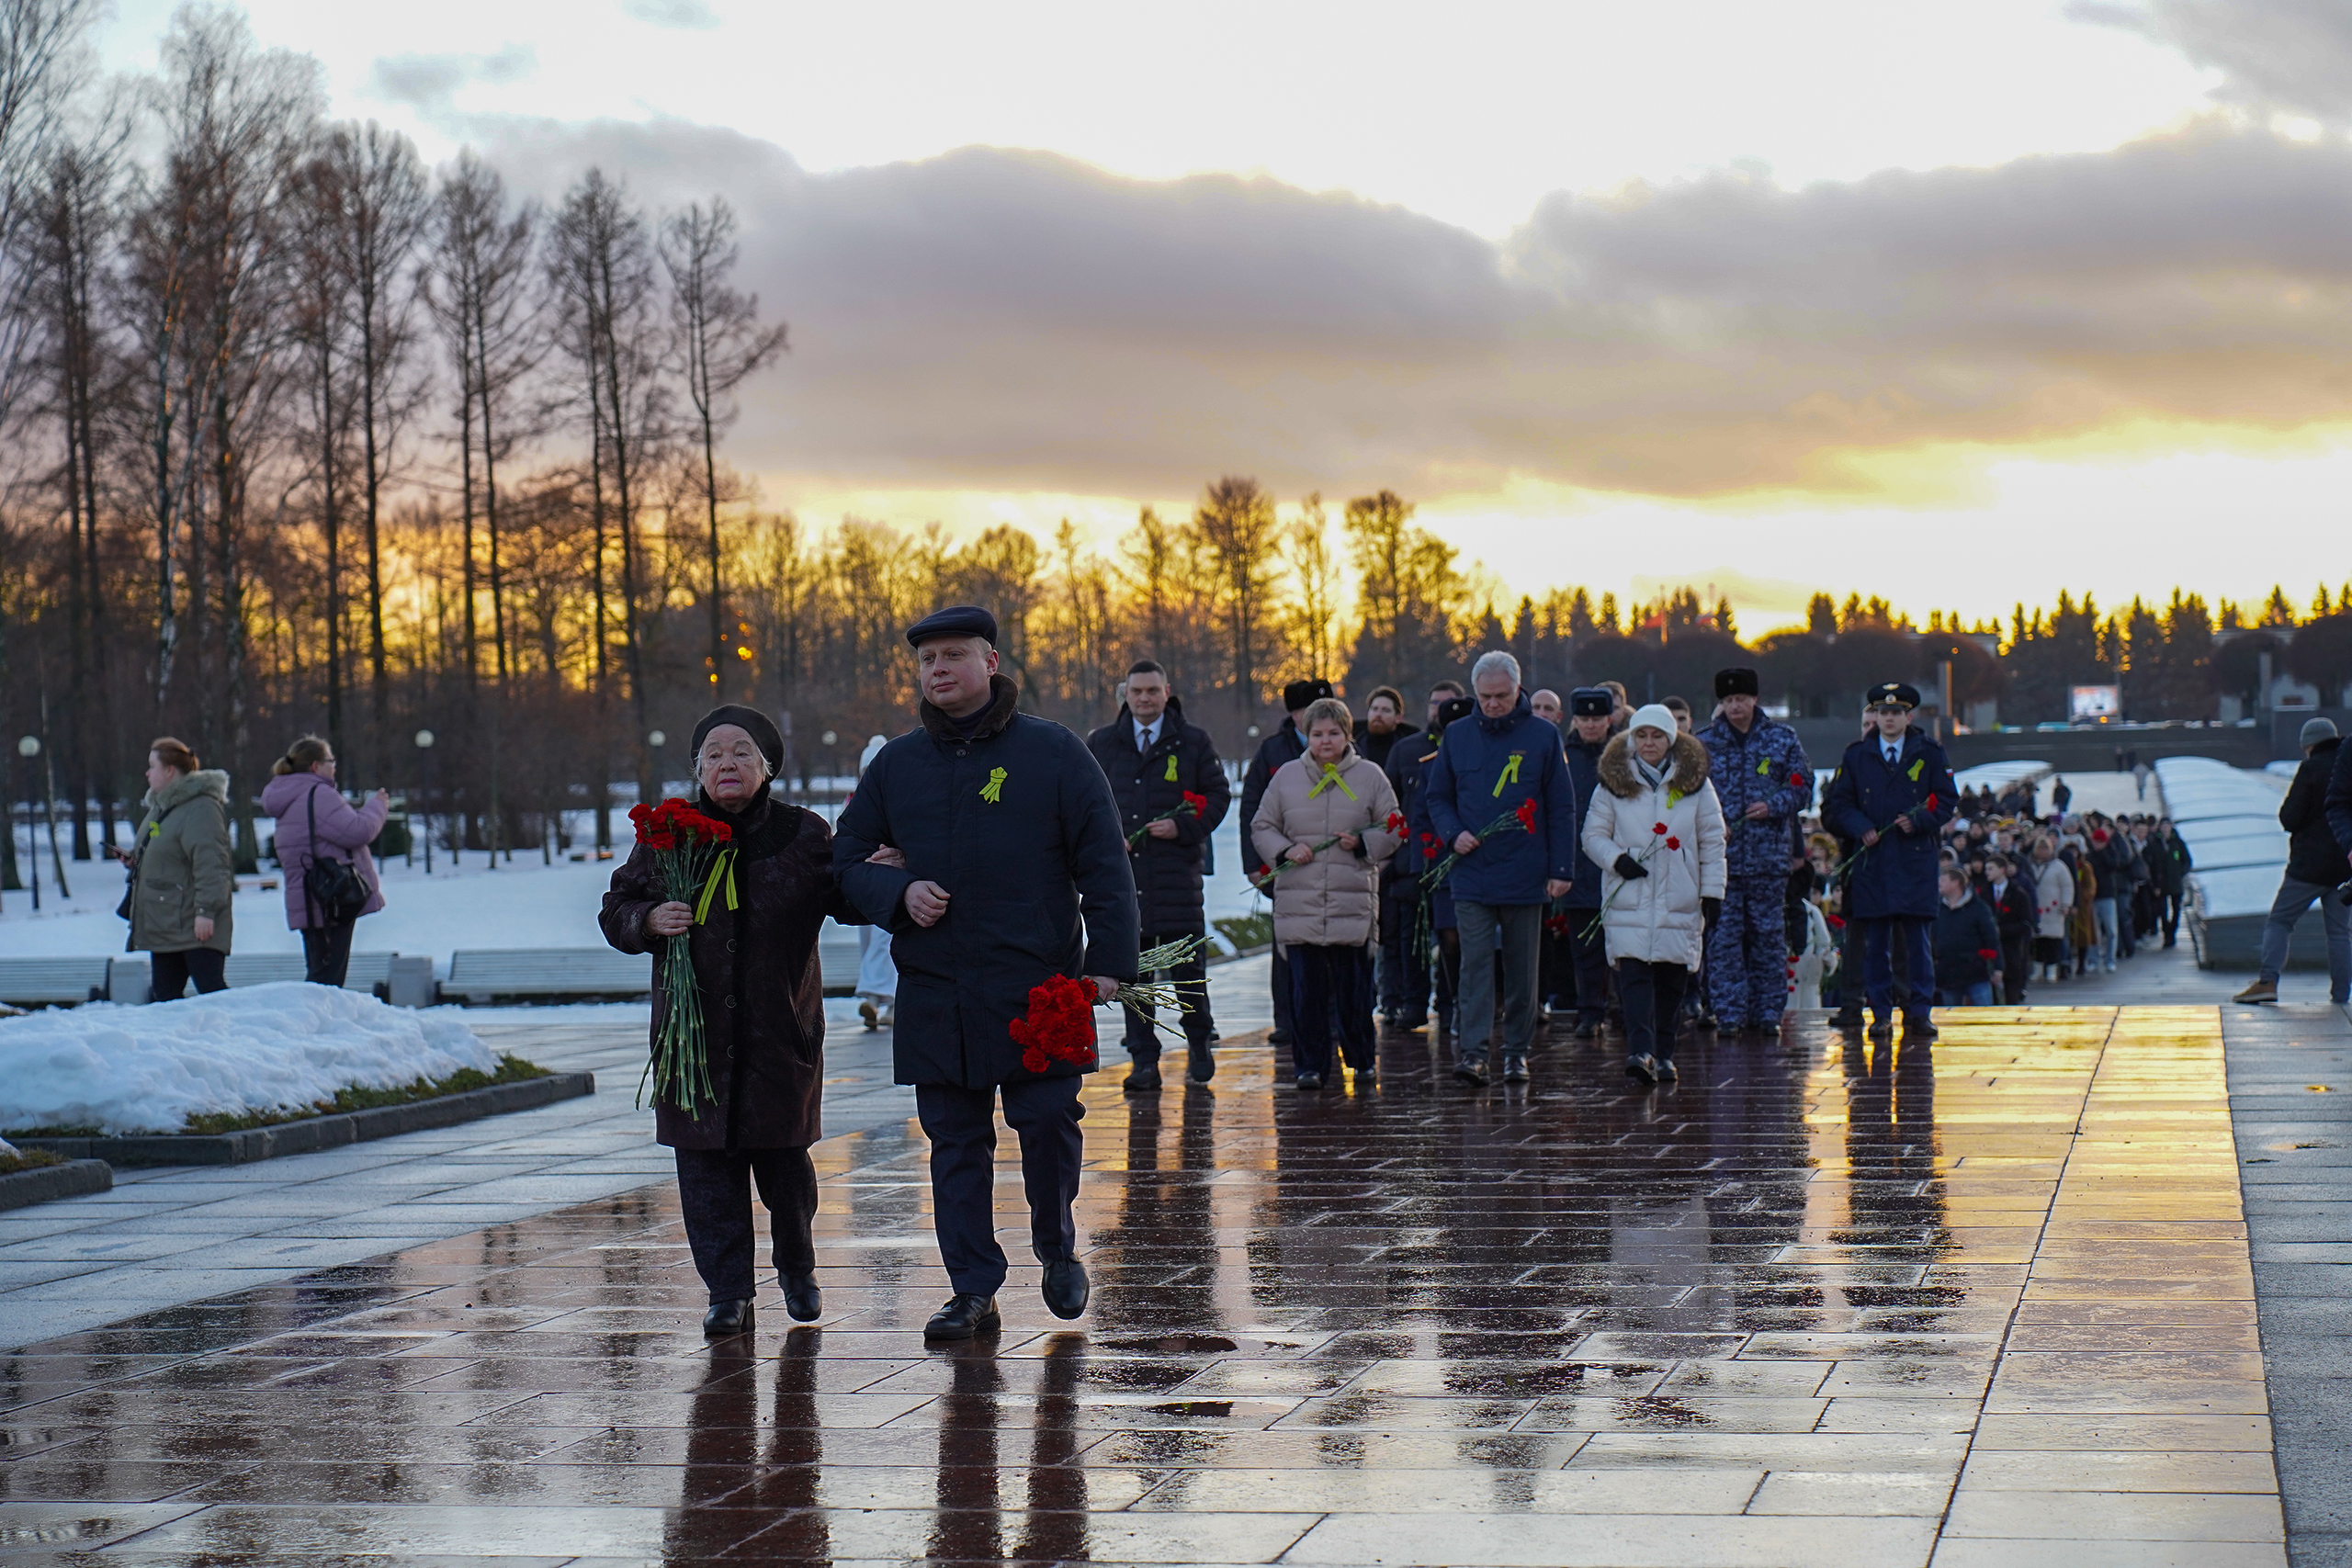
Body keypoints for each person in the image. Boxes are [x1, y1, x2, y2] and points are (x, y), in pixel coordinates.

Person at [831, 606, 1138, 1341]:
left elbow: (1104, 864)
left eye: (954, 655)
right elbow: (841, 866)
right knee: (956, 1143)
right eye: (927, 658)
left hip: (1040, 984)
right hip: (939, 988)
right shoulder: (897, 765)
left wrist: (1111, 968)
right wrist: (897, 893)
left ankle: (1057, 1245)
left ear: (991, 661)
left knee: (1048, 1122)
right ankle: (972, 1286)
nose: (938, 669)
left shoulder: (1054, 752)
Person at [602, 705, 865, 1337]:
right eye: (713, 753)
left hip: (780, 1035)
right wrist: (646, 920)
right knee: (705, 1173)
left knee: (786, 1171)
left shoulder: (803, 834)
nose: (727, 763)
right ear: (698, 768)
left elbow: (847, 899)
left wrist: (880, 868)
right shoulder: (668, 834)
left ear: (766, 766)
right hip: (693, 1043)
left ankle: (796, 1267)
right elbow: (617, 907)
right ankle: (728, 1292)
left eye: (741, 751)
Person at [1423, 650, 1576, 1086]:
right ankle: (1473, 1053)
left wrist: (1561, 868)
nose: (1492, 704)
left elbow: (1562, 808)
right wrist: (1453, 833)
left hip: (1526, 872)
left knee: (1522, 968)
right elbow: (1438, 796)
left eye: (1502, 696)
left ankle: (1516, 1051)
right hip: (1472, 870)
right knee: (1473, 967)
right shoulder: (1457, 735)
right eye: (1485, 696)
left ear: (1517, 689)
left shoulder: (1544, 737)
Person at [1085, 660, 1229, 1089]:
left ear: (1167, 692)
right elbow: (1087, 801)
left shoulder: (1192, 742)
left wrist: (1182, 827)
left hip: (1176, 879)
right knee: (1133, 977)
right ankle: (1143, 1059)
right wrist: (1110, 839)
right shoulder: (1103, 743)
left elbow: (1217, 796)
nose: (1144, 698)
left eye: (1152, 691)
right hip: (1126, 882)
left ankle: (1199, 1039)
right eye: (1136, 691)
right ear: (1125, 694)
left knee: (1188, 973)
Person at [1250, 696, 1401, 1089]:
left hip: (1351, 905)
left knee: (1355, 994)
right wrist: (1285, 851)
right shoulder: (1286, 777)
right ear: (1307, 736)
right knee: (1306, 996)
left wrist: (1364, 842)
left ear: (1348, 735)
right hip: (1300, 904)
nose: (1325, 741)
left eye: (1334, 733)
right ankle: (1310, 1066)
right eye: (1317, 734)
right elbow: (1262, 825)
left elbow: (1395, 825)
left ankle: (1362, 1059)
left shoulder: (1370, 776)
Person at [1582, 704, 1727, 1083]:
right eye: (1642, 735)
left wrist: (1713, 892)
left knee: (1670, 982)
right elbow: (1592, 836)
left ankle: (1664, 1053)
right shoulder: (1613, 783)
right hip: (1629, 895)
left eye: (1658, 735)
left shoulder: (1694, 784)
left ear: (1671, 739)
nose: (1649, 743)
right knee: (1633, 978)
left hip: (1679, 898)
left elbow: (1712, 840)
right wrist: (1617, 859)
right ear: (1632, 738)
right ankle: (1640, 1050)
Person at [1823, 682, 1956, 1042]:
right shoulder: (1857, 756)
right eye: (1883, 713)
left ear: (1908, 716)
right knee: (1876, 948)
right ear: (1876, 717)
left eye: (1896, 713)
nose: (1890, 719)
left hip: (1913, 861)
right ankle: (1880, 1014)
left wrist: (1920, 821)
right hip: (1874, 864)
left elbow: (1945, 799)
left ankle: (1919, 1013)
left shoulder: (1928, 752)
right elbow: (1839, 805)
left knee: (1917, 948)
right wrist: (1861, 827)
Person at [1695, 667, 1812, 1040]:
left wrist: (1774, 805)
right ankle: (1728, 1013)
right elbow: (1687, 793)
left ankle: (1767, 1013)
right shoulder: (1705, 743)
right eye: (1728, 701)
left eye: (1740, 700)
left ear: (1754, 699)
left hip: (1767, 860)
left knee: (1768, 938)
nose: (1734, 707)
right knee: (1724, 940)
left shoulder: (1782, 739)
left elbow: (1802, 786)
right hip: (1722, 862)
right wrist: (1712, 826)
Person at [1240, 678, 1332, 1050]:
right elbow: (1252, 808)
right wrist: (1255, 862)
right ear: (1295, 714)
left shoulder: (1341, 749)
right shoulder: (1272, 751)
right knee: (1287, 947)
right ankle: (1287, 1019)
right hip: (1288, 866)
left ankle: (1333, 1017)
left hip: (1333, 868)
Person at [2233, 717, 2350, 1007]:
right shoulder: (2348, 765)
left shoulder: (2310, 768)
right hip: (2344, 865)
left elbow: (2289, 817)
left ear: (2309, 745)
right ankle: (2341, 994)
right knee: (2339, 932)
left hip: (2308, 867)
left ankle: (2267, 981)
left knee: (2280, 920)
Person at [260, 736, 389, 989]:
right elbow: (358, 831)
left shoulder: (287, 795)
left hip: (308, 898)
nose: (334, 767)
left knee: (320, 970)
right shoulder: (319, 794)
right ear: (316, 766)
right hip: (332, 897)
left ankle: (314, 1025)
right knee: (328, 979)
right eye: (331, 761)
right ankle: (310, 1026)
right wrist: (377, 806)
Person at [119, 738, 235, 999]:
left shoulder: (200, 808)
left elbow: (213, 865)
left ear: (170, 770)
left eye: (152, 766)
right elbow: (165, 849)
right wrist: (136, 860)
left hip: (193, 923)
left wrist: (206, 911)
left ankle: (234, 1037)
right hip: (166, 923)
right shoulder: (162, 807)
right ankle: (176, 1041)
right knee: (165, 997)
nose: (147, 773)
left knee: (212, 991)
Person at [1389, 688, 1475, 1035]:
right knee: (1440, 936)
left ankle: (1459, 1003)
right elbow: (1419, 815)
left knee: (1466, 940)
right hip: (1436, 864)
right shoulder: (1426, 763)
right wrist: (1423, 861)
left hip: (1474, 861)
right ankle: (1436, 1003)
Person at [1552, 688, 1614, 1038]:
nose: (1591, 725)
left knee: (1621, 946)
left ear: (1609, 720)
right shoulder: (1561, 756)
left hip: (1618, 866)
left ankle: (1620, 1009)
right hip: (1577, 866)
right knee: (1584, 949)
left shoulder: (1624, 755)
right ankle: (1590, 1011)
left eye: (1598, 719)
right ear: (1575, 720)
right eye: (1585, 719)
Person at [852, 735, 898, 1030]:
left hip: (892, 881)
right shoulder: (856, 803)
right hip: (865, 881)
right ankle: (878, 997)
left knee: (885, 939)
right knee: (871, 939)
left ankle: (881, 997)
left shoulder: (897, 799)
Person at [1932, 865, 2002, 1007]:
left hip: (1976, 974)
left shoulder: (1978, 909)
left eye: (1944, 880)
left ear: (1956, 883)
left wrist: (1997, 967)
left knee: (1983, 1017)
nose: (1939, 883)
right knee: (1950, 1020)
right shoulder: (1938, 909)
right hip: (1948, 976)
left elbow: (1991, 939)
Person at [1979, 852, 2036, 1003]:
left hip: (2012, 950)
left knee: (2012, 994)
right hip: (1990, 951)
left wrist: (2002, 930)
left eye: (1991, 868)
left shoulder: (2018, 894)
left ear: (2002, 870)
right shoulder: (1983, 894)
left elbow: (2026, 923)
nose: (1987, 872)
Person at [2030, 833, 2074, 984]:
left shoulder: (2059, 867)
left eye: (2045, 849)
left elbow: (2067, 886)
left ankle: (2051, 970)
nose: (2043, 852)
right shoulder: (2030, 866)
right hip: (2036, 909)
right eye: (2040, 849)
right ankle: (2038, 969)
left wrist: (2066, 904)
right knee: (2038, 942)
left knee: (2053, 942)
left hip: (2054, 910)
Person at [2152, 818, 2192, 948]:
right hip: (2161, 883)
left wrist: (2180, 872)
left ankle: (2172, 933)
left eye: (2167, 826)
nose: (2165, 828)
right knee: (2162, 910)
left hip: (2175, 882)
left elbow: (2187, 861)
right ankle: (2166, 931)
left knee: (2176, 910)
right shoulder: (2155, 843)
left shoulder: (2178, 843)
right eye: (2163, 826)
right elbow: (2151, 863)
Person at [1358, 686, 1408, 769]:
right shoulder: (1352, 747)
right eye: (1374, 709)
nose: (1378, 714)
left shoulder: (1407, 750)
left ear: (1398, 718)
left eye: (1386, 710)